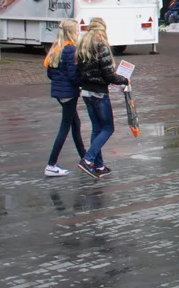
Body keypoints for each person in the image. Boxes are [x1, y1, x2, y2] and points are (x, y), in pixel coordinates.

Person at [75, 18, 128, 179]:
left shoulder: (83, 47)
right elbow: (109, 75)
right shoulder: (101, 47)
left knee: (96, 129)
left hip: (86, 92)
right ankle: (88, 159)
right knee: (108, 128)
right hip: (99, 93)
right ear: (101, 31)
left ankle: (99, 166)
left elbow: (79, 71)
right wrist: (124, 80)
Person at [44, 19, 85, 177]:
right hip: (69, 93)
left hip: (60, 93)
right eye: (77, 29)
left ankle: (85, 158)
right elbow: (73, 75)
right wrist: (84, 83)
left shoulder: (56, 48)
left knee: (75, 124)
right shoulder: (70, 49)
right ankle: (51, 164)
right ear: (71, 32)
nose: (78, 32)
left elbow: (50, 73)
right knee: (65, 127)